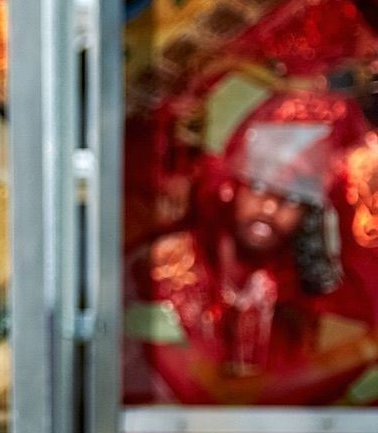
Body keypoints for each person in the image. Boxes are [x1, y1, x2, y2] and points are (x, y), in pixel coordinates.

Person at [126, 91, 378, 406]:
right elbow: (220, 398)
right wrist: (366, 349)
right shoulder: (167, 264)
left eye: (293, 198)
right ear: (231, 187)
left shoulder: (284, 282)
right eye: (259, 187)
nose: (271, 206)